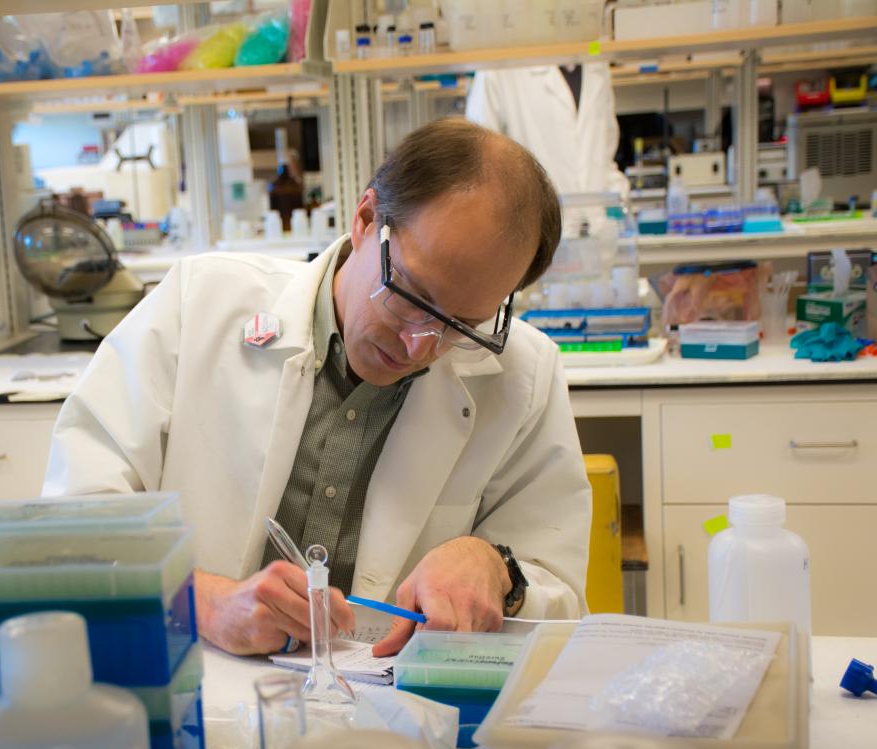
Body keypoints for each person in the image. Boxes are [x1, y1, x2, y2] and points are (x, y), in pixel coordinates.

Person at [44, 118, 591, 657]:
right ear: (366, 218)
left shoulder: (525, 375)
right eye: (413, 297)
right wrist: (200, 601)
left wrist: (499, 570)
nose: (421, 346)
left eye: (462, 325)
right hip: (192, 689)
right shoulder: (200, 303)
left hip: (393, 716)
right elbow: (75, 523)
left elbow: (559, 592)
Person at [465, 63, 629, 197]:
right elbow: (479, 165)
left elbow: (604, 153)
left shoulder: (595, 63)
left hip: (597, 224)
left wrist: (616, 194)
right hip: (532, 225)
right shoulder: (499, 70)